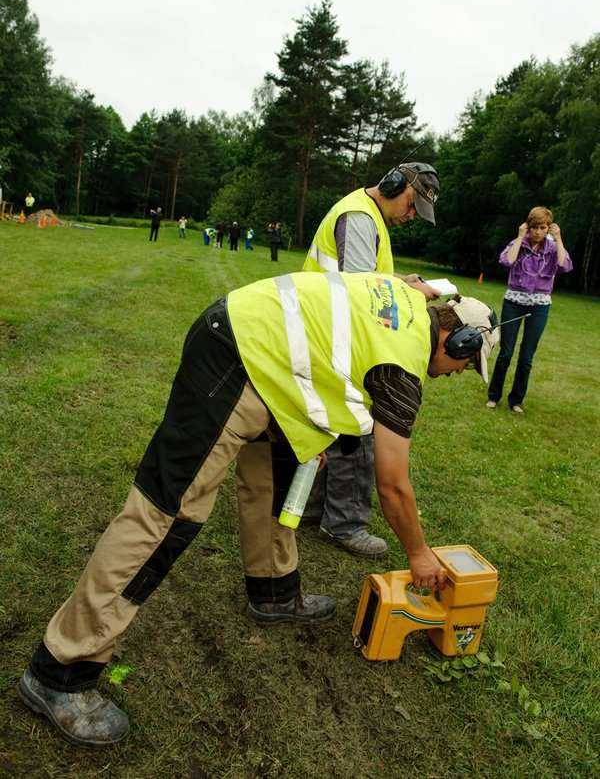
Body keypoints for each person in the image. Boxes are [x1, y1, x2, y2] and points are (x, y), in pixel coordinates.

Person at [19, 273, 497, 746]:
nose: (459, 375)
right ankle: (61, 670)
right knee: (165, 516)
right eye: (467, 363)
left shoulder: (408, 298)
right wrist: (418, 553)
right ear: (456, 340)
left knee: (275, 471)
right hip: (235, 356)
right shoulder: (404, 365)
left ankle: (273, 590)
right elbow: (393, 485)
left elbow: (347, 331)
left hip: (263, 362)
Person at [297, 162, 441, 557]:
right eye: (413, 206)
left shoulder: (367, 215)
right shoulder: (361, 218)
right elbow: (359, 292)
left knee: (329, 423)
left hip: (331, 331)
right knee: (359, 427)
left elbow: (367, 281)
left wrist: (402, 283)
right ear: (396, 185)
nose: (411, 217)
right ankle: (344, 523)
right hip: (336, 334)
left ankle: (312, 509)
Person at [487, 207, 572, 413]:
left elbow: (565, 266)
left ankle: (516, 400)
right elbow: (506, 260)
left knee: (526, 357)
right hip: (514, 302)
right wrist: (519, 236)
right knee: (506, 353)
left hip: (539, 305)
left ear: (548, 228)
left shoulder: (552, 248)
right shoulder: (519, 243)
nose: (537, 232)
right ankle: (494, 396)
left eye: (542, 227)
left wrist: (559, 239)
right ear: (528, 227)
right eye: (534, 227)